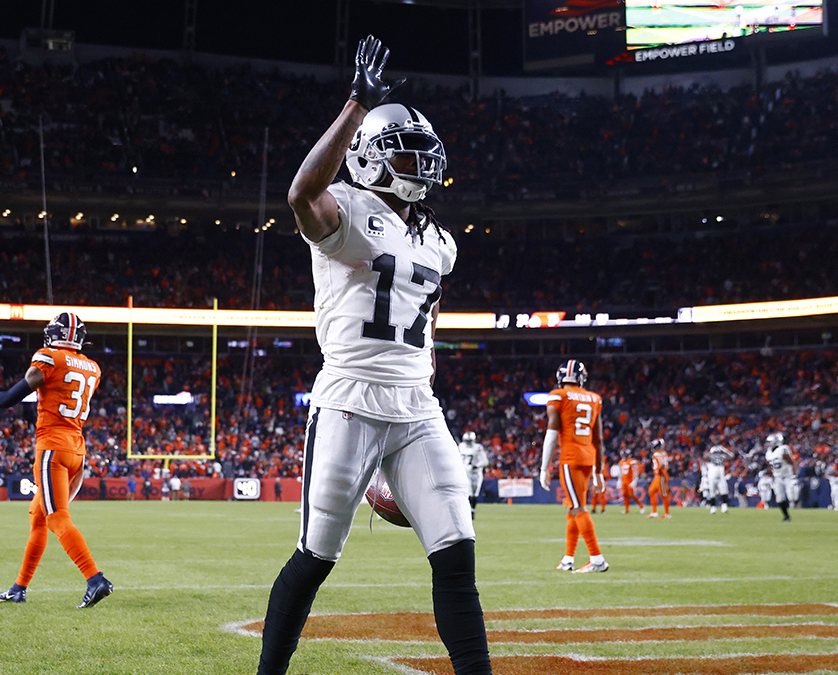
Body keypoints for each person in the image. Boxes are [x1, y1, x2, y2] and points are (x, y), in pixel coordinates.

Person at [257, 36, 491, 675]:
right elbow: (301, 194)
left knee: (457, 552)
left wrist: (426, 365)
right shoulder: (346, 208)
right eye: (404, 153)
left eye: (422, 154)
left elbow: (430, 311)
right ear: (369, 156)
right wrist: (356, 105)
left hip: (417, 405)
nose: (419, 164)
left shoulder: (438, 239)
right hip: (350, 399)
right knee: (316, 556)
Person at [0, 312, 112, 609]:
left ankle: (95, 579)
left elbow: (8, 399)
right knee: (38, 517)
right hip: (77, 451)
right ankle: (19, 588)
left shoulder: (48, 357)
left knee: (57, 518)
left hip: (53, 448)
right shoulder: (93, 368)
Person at [540, 360, 610, 574]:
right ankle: (568, 559)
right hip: (589, 458)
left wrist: (544, 467)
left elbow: (551, 434)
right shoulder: (594, 398)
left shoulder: (558, 395)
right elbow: (598, 439)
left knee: (578, 507)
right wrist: (599, 471)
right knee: (573, 507)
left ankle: (597, 559)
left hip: (571, 458)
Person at [765, 432, 798, 522]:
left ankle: (797, 508)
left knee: (792, 496)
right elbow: (771, 465)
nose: (768, 444)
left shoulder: (783, 449)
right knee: (779, 498)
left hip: (787, 475)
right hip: (778, 477)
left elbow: (791, 462)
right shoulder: (768, 453)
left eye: (769, 442)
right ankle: (786, 516)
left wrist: (794, 475)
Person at [458, 431, 489, 520]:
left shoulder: (478, 448)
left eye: (469, 441)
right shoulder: (461, 446)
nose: (467, 443)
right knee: (467, 492)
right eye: (466, 441)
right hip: (465, 472)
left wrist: (476, 466)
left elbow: (485, 461)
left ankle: (472, 510)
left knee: (474, 494)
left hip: (475, 473)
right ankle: (467, 511)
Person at [646, 439, 672, 519]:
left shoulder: (658, 453)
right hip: (658, 476)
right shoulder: (662, 452)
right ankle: (654, 512)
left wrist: (660, 473)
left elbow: (662, 464)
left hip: (661, 475)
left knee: (663, 494)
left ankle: (667, 513)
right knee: (651, 491)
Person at [703, 445, 731, 514]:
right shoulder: (710, 458)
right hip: (712, 477)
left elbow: (731, 456)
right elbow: (705, 457)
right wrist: (712, 451)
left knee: (724, 492)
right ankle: (713, 507)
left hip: (720, 477)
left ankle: (724, 506)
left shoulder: (721, 457)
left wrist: (724, 450)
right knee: (712, 493)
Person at [618, 450, 644, 514]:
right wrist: (619, 480)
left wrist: (634, 480)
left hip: (629, 481)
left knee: (631, 495)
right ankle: (626, 510)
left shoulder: (631, 461)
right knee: (625, 495)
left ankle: (641, 506)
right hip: (624, 481)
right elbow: (621, 471)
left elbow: (635, 471)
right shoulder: (621, 461)